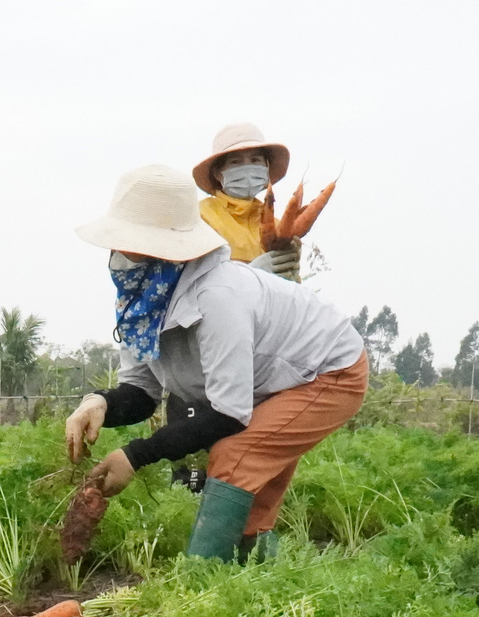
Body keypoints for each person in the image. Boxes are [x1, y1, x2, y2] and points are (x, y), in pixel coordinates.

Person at [61, 165, 368, 564]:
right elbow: (141, 394)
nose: (120, 258)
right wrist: (98, 402)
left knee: (234, 458)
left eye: (131, 246)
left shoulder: (218, 296)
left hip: (328, 371)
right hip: (269, 380)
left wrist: (135, 456)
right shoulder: (142, 301)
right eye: (117, 246)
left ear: (166, 249)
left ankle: (200, 587)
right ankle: (257, 585)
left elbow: (229, 414)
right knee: (252, 489)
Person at [191, 123, 299, 278]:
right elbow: (197, 277)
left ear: (266, 168)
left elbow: (291, 286)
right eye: (235, 162)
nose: (247, 168)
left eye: (255, 160)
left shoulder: (277, 226)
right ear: (217, 173)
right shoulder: (201, 216)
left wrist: (291, 271)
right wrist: (251, 272)